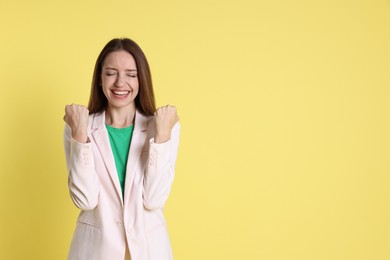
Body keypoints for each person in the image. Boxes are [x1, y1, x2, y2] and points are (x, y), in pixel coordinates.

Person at [63, 38, 180, 260]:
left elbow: (154, 199)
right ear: (100, 78)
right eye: (111, 73)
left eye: (131, 74)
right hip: (95, 252)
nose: (120, 82)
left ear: (141, 80)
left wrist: (162, 138)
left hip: (149, 251)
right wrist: (80, 135)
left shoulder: (164, 127)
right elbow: (85, 200)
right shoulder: (78, 126)